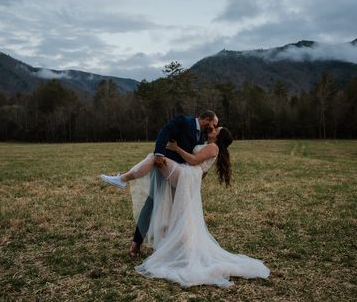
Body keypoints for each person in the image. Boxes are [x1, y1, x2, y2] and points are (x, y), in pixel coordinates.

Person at [101, 126, 270, 287]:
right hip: (188, 176)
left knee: (154, 157)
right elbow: (202, 171)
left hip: (186, 175)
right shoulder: (211, 147)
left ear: (218, 137)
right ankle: (174, 245)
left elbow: (194, 159)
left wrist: (175, 148)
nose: (211, 130)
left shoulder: (213, 147)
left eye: (215, 130)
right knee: (177, 211)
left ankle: (122, 180)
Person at [101, 110, 218, 257]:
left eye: (215, 127)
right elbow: (165, 132)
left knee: (175, 211)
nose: (213, 127)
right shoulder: (184, 121)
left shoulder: (204, 137)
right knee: (152, 203)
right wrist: (159, 153)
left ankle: (177, 248)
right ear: (205, 119)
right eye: (213, 124)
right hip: (165, 167)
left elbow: (197, 162)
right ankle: (137, 242)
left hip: (179, 175)